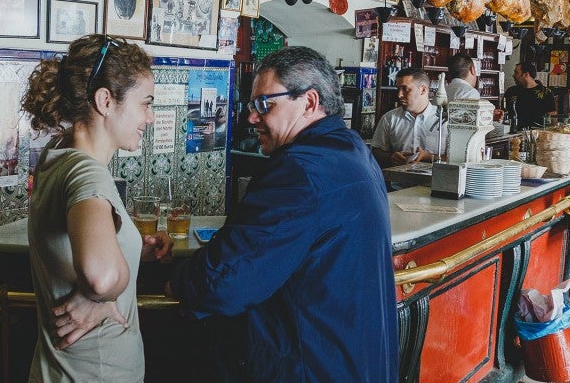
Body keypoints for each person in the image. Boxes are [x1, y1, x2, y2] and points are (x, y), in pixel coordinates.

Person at [170, 46, 399, 382]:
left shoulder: (300, 171)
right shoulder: (352, 150)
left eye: (265, 104)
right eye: (252, 105)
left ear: (309, 102)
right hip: (350, 360)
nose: (251, 117)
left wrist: (176, 282)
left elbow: (225, 283)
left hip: (309, 365)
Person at [21, 34, 173, 382]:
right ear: (105, 100)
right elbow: (101, 276)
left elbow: (75, 252)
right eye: (145, 103)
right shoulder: (86, 172)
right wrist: (103, 297)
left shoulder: (57, 155)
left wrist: (133, 251)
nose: (149, 118)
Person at [371, 67, 446, 167]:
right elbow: (375, 152)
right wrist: (390, 157)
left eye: (405, 89)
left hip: (435, 180)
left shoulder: (444, 120)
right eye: (398, 89)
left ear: (423, 90)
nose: (399, 95)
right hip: (398, 180)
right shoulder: (389, 118)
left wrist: (429, 157)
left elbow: (460, 159)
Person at [504, 62, 556, 132]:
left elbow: (552, 118)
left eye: (516, 72)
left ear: (526, 74)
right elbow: (503, 113)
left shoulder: (546, 93)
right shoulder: (511, 91)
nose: (513, 75)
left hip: (537, 136)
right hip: (512, 136)